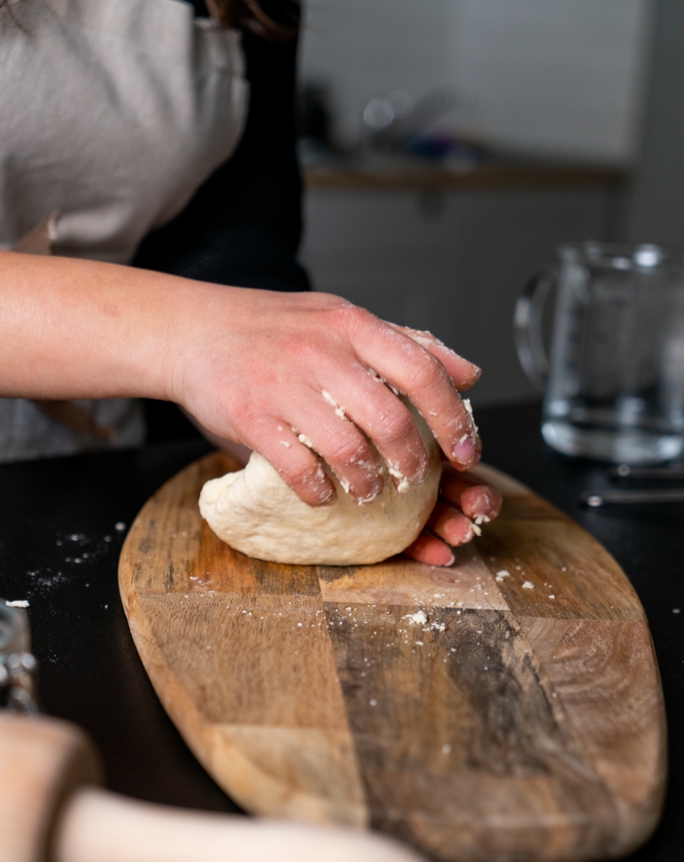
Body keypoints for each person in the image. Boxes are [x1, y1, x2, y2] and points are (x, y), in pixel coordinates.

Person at [0, 0, 501, 565]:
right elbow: (206, 323)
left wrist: (316, 439)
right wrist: (187, 336)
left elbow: (230, 249)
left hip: (92, 481)